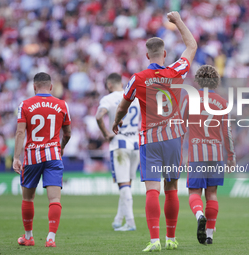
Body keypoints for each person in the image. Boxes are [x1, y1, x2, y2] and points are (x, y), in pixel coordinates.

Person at [112, 11, 197, 252]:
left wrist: (117, 122)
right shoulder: (176, 70)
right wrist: (178, 21)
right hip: (173, 137)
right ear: (165, 55)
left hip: (149, 138)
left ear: (148, 55)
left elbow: (123, 105)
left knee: (152, 189)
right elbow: (191, 45)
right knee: (171, 188)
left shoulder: (137, 78)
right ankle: (171, 239)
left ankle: (154, 240)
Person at [13, 72, 71, 247]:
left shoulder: (25, 105)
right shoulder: (62, 104)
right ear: (51, 87)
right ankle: (51, 238)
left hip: (32, 156)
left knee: (28, 199)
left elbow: (20, 133)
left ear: (34, 87)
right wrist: (61, 147)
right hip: (53, 155)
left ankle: (29, 237)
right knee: (54, 200)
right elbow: (68, 133)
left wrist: (16, 157)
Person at [182, 65, 236, 245]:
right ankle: (210, 235)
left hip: (197, 153)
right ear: (215, 81)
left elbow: (181, 129)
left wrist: (178, 152)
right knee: (212, 194)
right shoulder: (222, 102)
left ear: (198, 80)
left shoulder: (190, 100)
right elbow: (227, 133)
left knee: (194, 192)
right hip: (216, 153)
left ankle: (199, 215)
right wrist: (231, 157)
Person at [96, 73, 140, 231]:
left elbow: (98, 116)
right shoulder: (134, 97)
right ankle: (118, 219)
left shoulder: (108, 99)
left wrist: (106, 133)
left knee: (123, 185)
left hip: (120, 144)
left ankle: (130, 222)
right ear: (121, 83)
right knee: (127, 184)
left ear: (109, 85)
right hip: (136, 144)